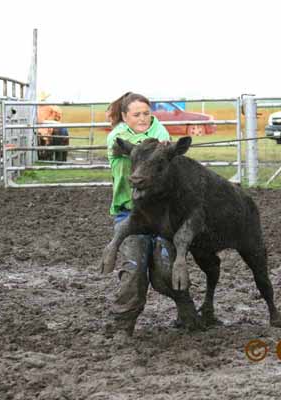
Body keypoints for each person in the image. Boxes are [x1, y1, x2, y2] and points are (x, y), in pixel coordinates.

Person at [105, 91, 172, 335]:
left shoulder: (161, 132)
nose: (143, 118)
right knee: (133, 269)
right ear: (124, 116)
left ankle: (186, 309)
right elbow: (128, 148)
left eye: (146, 113)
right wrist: (155, 150)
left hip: (161, 213)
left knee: (166, 270)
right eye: (136, 114)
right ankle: (124, 324)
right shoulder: (117, 137)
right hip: (130, 213)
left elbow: (162, 147)